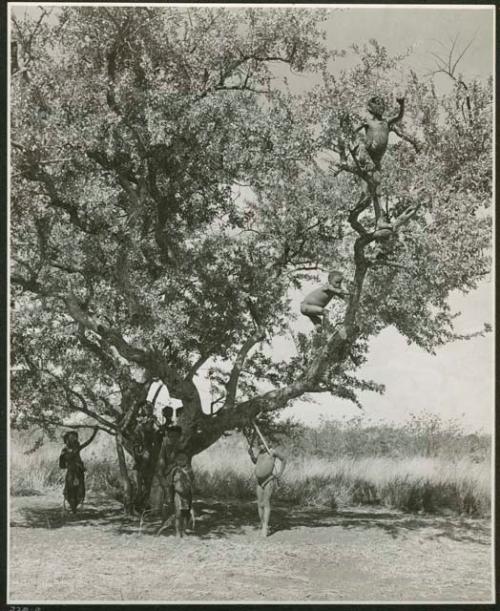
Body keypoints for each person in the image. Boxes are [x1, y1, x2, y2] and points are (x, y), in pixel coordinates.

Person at [156, 424, 195, 529]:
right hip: (168, 475)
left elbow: (186, 463)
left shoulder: (183, 447)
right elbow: (161, 464)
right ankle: (166, 522)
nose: (173, 439)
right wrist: (163, 477)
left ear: (180, 437)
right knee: (168, 498)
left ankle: (185, 521)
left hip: (181, 475)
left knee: (186, 496)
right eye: (171, 436)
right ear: (168, 437)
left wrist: (189, 475)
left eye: (176, 436)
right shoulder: (165, 447)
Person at [248, 438, 287, 537]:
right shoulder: (260, 453)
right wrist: (251, 455)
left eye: (262, 443)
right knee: (259, 504)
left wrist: (280, 473)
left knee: (266, 503)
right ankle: (262, 524)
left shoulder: (272, 452)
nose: (260, 446)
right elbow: (255, 462)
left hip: (268, 480)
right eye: (259, 444)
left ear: (268, 443)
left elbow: (284, 460)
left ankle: (265, 527)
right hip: (259, 482)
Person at [59, 427, 98, 513]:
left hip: (78, 471)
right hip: (72, 472)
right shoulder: (65, 450)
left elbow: (88, 442)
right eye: (72, 438)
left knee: (79, 489)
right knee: (70, 489)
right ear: (67, 440)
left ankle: (75, 507)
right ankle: (73, 506)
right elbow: (62, 463)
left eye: (75, 437)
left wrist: (94, 433)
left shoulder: (75, 448)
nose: (75, 439)